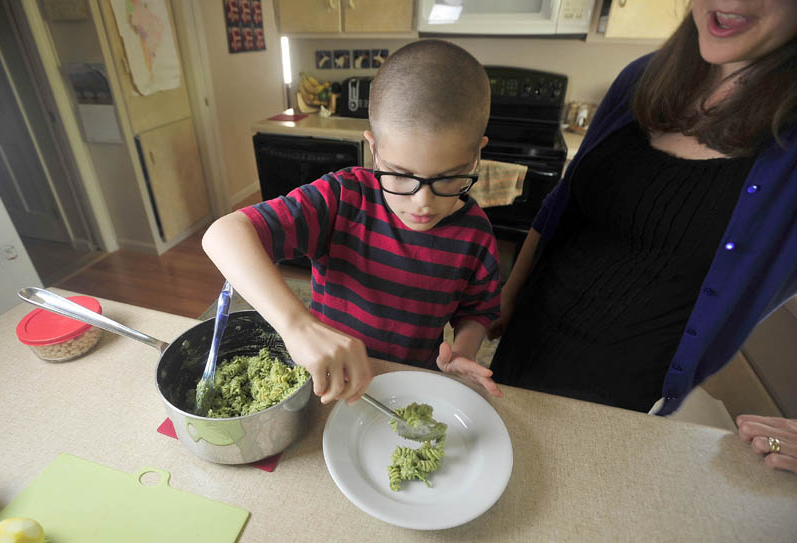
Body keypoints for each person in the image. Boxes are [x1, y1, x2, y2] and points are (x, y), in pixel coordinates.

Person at [487, 0, 797, 473]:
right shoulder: (642, 77)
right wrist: (508, 295)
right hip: (522, 350)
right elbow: (563, 203)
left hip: (620, 402)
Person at [203, 40, 502, 407]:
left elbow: (477, 310)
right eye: (401, 175)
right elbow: (223, 234)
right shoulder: (343, 198)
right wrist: (298, 326)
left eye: (449, 177)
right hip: (332, 382)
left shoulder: (476, 235)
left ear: (476, 155)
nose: (422, 202)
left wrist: (463, 351)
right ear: (374, 149)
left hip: (413, 385)